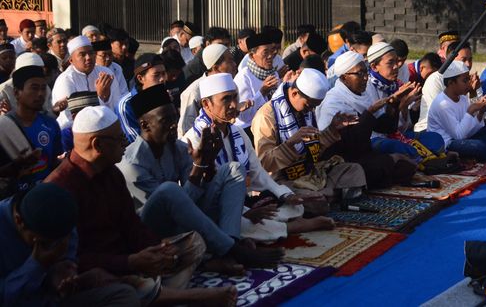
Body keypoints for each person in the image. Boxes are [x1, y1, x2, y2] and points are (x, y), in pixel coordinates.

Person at [46, 106, 236, 305]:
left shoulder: (112, 174)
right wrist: (129, 262)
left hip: (132, 260)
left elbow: (132, 225)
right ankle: (180, 295)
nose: (125, 143)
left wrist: (157, 249)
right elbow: (69, 261)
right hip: (102, 271)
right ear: (98, 145)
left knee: (194, 243)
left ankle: (158, 292)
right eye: (120, 139)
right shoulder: (60, 189)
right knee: (114, 285)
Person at [117, 84, 282, 271]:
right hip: (154, 230)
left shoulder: (177, 147)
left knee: (233, 170)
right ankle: (234, 251)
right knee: (169, 189)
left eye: (175, 118)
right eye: (166, 120)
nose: (173, 125)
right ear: (145, 125)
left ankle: (229, 244)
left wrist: (209, 164)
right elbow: (172, 205)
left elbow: (195, 197)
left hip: (185, 218)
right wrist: (199, 166)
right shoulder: (132, 164)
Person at [185, 73, 333, 242]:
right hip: (214, 207)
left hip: (245, 199)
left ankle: (269, 225)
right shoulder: (193, 140)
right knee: (236, 221)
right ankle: (291, 227)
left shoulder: (237, 132)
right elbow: (202, 194)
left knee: (295, 206)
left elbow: (258, 171)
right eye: (226, 99)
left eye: (235, 97)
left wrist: (285, 195)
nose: (234, 105)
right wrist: (244, 211)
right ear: (206, 103)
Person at [0, 183, 140, 306]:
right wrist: (36, 265)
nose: (52, 247)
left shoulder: (57, 206)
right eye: (43, 243)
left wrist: (64, 270)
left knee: (124, 295)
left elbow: (69, 246)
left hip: (53, 300)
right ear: (19, 221)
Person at [253, 68, 366, 212]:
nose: (311, 110)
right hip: (282, 179)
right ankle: (328, 197)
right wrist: (290, 144)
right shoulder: (266, 116)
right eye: (310, 105)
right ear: (294, 93)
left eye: (315, 106)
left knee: (354, 170)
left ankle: (325, 196)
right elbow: (264, 163)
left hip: (309, 173)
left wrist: (332, 129)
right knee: (313, 200)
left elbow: (314, 152)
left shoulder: (305, 110)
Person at [317, 51, 416, 188]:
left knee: (403, 165)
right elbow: (349, 145)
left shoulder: (361, 96)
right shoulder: (334, 103)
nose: (365, 78)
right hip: (341, 161)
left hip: (362, 154)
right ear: (344, 77)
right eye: (360, 74)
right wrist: (369, 113)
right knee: (383, 165)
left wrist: (394, 102)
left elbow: (386, 127)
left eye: (366, 72)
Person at [364, 42, 445, 159]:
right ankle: (424, 159)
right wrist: (398, 104)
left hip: (398, 136)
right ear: (374, 66)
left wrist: (406, 108)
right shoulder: (366, 87)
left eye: (396, 61)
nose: (396, 66)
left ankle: (422, 158)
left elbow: (401, 129)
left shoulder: (396, 85)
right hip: (376, 139)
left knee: (435, 138)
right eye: (390, 63)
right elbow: (381, 127)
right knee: (396, 147)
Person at [0, 66, 62, 194]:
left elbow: (54, 161)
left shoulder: (51, 124)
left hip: (45, 194)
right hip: (13, 201)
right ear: (17, 93)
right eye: (34, 88)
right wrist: (17, 166)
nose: (40, 94)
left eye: (43, 88)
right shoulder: (3, 127)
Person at [428, 61, 486, 161]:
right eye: (465, 80)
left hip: (464, 138)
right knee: (479, 146)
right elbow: (458, 135)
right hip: (447, 143)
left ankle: (482, 153)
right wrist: (471, 110)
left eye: (468, 79)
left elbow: (470, 130)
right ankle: (485, 154)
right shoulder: (442, 104)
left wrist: (481, 112)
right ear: (451, 83)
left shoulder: (463, 98)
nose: (469, 83)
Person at [52, 36, 121, 127]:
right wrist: (100, 97)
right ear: (71, 60)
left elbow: (118, 106)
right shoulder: (65, 80)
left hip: (106, 127)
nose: (88, 57)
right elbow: (72, 118)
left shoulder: (105, 72)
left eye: (91, 53)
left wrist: (106, 97)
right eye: (82, 54)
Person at [414, 41, 481, 133]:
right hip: (430, 131)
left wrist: (473, 93)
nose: (468, 64)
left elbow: (481, 115)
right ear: (450, 60)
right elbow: (444, 117)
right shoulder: (435, 80)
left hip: (462, 127)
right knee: (479, 146)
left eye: (470, 60)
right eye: (463, 60)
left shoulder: (472, 80)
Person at [178, 44, 237, 137]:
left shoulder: (232, 85)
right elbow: (186, 131)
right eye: (229, 61)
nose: (234, 64)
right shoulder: (193, 92)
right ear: (216, 68)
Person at [234, 30, 283, 129]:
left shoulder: (273, 73)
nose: (270, 56)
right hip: (249, 129)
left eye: (271, 51)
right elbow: (243, 116)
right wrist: (262, 92)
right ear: (252, 56)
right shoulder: (244, 77)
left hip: (271, 125)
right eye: (265, 52)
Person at [116, 53, 167, 143]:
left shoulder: (164, 97)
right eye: (156, 75)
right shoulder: (127, 105)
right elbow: (136, 143)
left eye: (164, 73)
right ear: (140, 78)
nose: (162, 79)